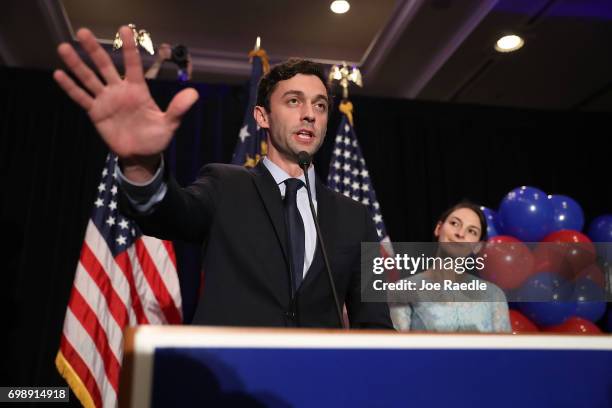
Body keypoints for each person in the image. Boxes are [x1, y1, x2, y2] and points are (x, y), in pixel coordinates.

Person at [53, 26, 392, 329]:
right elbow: (168, 214)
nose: (309, 115)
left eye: (320, 106)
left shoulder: (355, 217)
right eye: (293, 101)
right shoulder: (225, 185)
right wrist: (141, 163)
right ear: (262, 117)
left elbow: (374, 322)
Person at [389, 202, 511, 333]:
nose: (460, 233)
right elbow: (398, 350)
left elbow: (505, 351)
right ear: (439, 228)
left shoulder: (494, 295)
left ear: (477, 246)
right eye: (454, 223)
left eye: (472, 231)